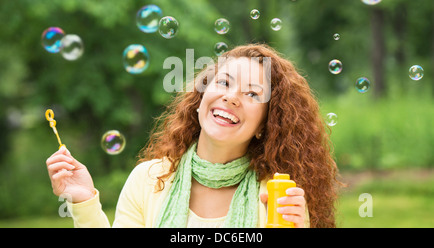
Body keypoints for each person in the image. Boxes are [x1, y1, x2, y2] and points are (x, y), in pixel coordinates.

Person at [46, 43, 340, 228]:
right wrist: (84, 202)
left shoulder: (276, 195)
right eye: (224, 82)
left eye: (252, 93)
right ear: (201, 98)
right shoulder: (148, 180)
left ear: (266, 123)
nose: (232, 97)